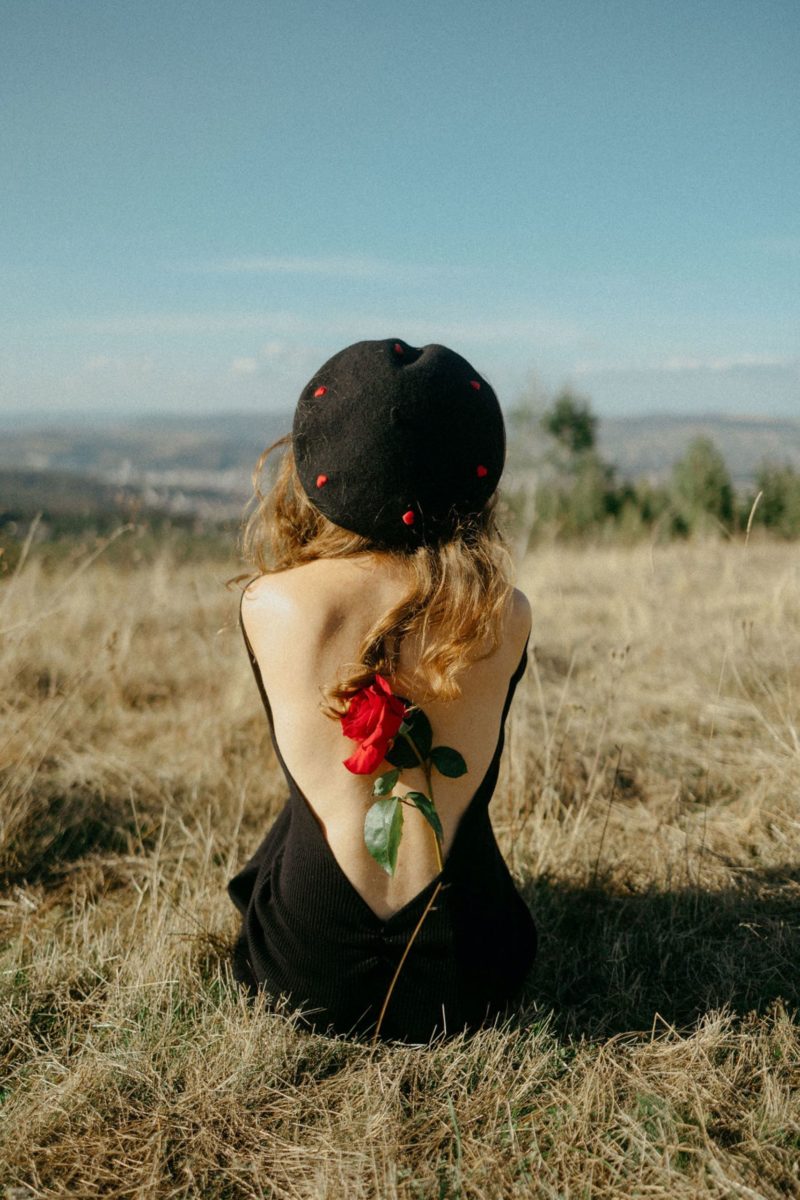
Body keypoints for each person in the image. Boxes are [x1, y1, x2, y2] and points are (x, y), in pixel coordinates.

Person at [227, 338, 536, 1044]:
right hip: (474, 971)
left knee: (304, 808)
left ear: (316, 469)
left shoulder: (271, 604)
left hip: (308, 971)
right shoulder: (507, 613)